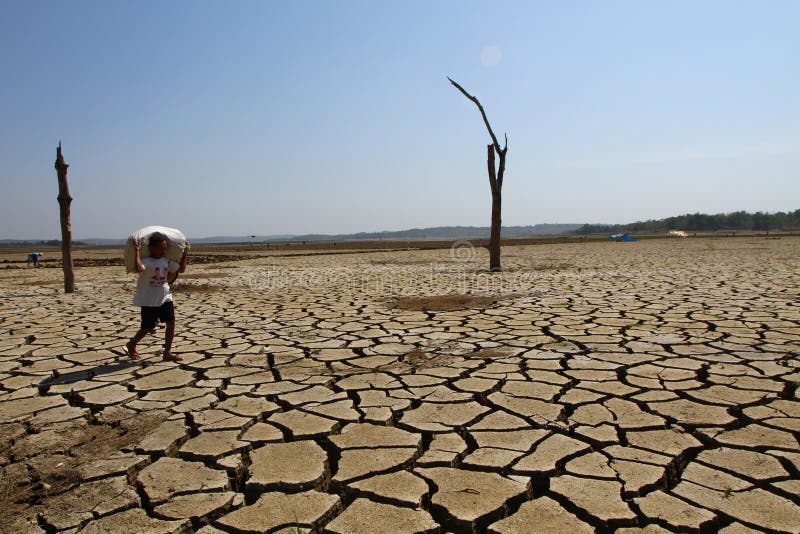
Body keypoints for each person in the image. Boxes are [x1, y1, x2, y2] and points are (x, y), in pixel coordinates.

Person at [126, 233, 188, 362]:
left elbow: (180, 270)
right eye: (161, 247)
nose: (163, 250)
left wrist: (185, 253)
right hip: (149, 300)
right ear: (152, 247)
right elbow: (138, 268)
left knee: (171, 323)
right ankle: (132, 343)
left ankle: (167, 352)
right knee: (147, 327)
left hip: (165, 297)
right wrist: (137, 250)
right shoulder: (146, 261)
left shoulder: (166, 261)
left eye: (165, 247)